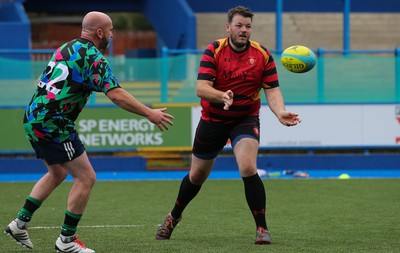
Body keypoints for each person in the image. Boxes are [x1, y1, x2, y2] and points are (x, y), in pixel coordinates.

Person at [4, 11, 174, 253]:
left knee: (57, 173)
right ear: (100, 32)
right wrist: (149, 112)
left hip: (33, 117)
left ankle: (19, 223)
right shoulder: (93, 57)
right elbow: (115, 93)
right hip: (54, 121)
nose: (113, 35)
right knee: (86, 177)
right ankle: (67, 241)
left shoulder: (66, 47)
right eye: (111, 30)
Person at [155, 6, 301, 245]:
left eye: (248, 26)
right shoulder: (214, 50)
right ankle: (173, 217)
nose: (244, 30)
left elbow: (272, 90)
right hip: (213, 119)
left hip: (244, 119)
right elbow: (201, 88)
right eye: (239, 26)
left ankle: (262, 229)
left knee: (247, 167)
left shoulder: (262, 54)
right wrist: (221, 96)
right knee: (197, 176)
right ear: (228, 27)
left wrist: (280, 112)